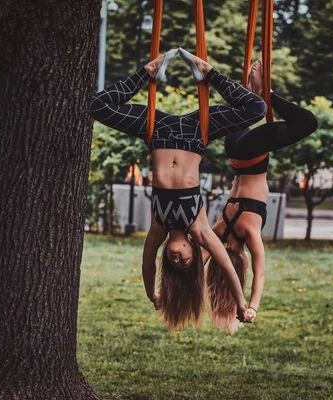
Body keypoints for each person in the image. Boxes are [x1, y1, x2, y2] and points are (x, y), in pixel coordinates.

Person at [87, 48, 267, 330]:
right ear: (194, 253)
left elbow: (148, 262)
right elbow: (229, 268)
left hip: (157, 130)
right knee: (257, 109)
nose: (177, 259)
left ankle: (148, 73)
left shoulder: (159, 227)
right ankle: (209, 73)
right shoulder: (199, 228)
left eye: (174, 263)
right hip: (196, 131)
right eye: (185, 262)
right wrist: (243, 304)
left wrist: (152, 293)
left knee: (98, 107)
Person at [204, 59, 318, 333]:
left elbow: (261, 271)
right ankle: (254, 93)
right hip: (234, 150)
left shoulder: (247, 231)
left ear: (238, 267)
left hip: (252, 153)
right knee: (246, 109)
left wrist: (252, 306)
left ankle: (266, 94)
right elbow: (200, 259)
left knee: (307, 123)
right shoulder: (218, 231)